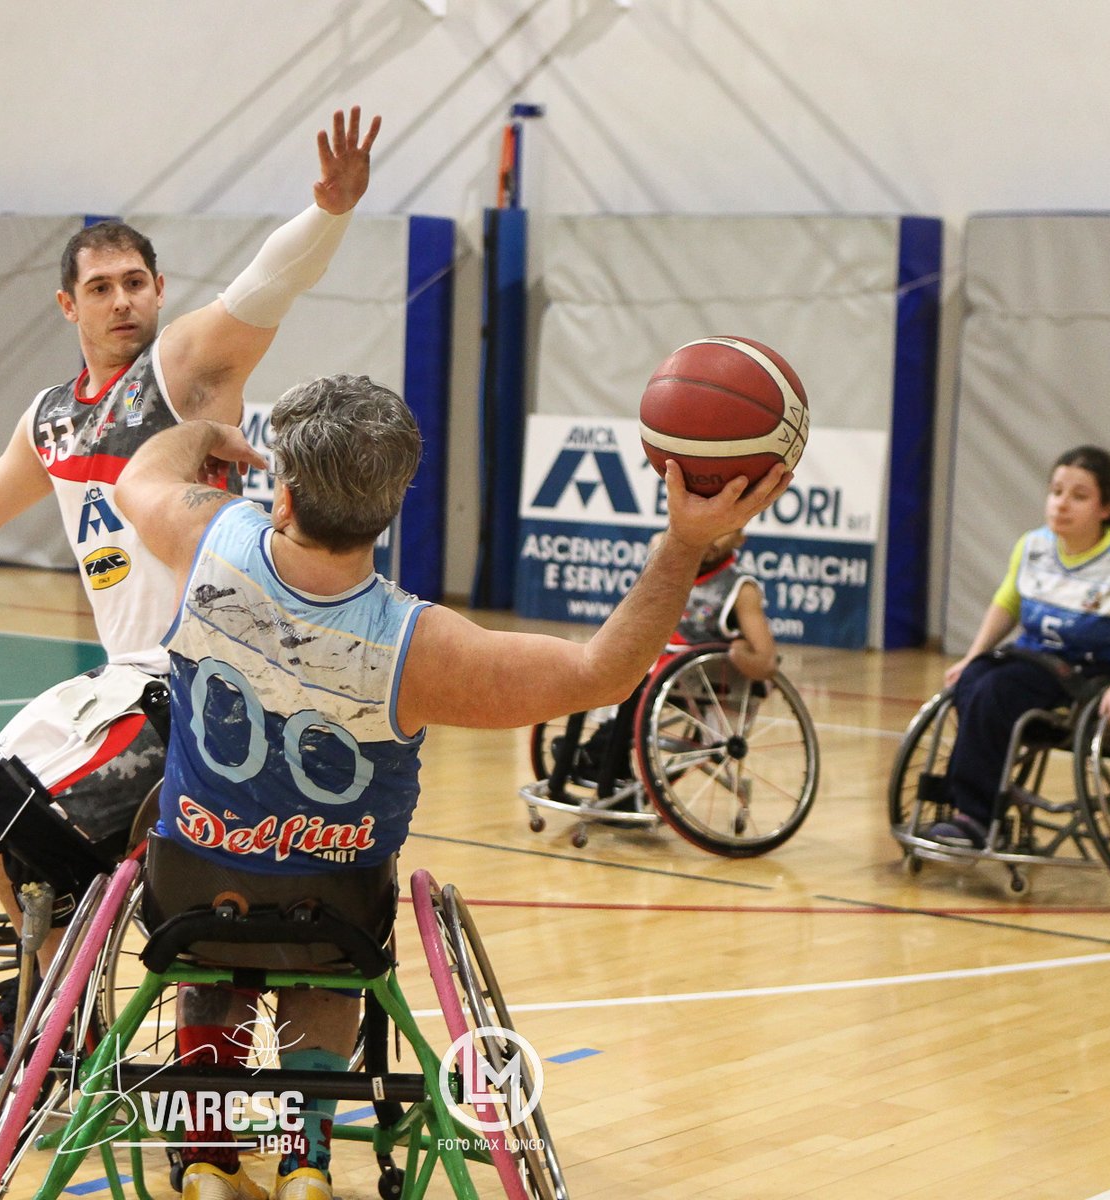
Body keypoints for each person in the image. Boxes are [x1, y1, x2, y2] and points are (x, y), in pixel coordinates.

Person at [0, 107, 384, 1081]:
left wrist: (327, 212)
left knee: (28, 817)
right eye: (101, 288)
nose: (122, 301)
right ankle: (52, 998)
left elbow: (267, 284)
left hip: (210, 676)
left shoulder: (181, 373)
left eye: (135, 283)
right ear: (67, 306)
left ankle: (59, 1009)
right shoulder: (51, 419)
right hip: (125, 676)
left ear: (159, 292)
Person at [115, 374, 789, 1200]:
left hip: (193, 885)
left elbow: (138, 475)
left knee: (211, 945)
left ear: (283, 498)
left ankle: (209, 1154)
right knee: (321, 947)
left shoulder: (211, 538)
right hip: (335, 910)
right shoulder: (423, 645)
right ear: (390, 507)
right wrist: (684, 542)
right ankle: (304, 1156)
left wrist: (207, 434)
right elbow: (604, 672)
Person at [928, 445, 1110, 848]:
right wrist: (972, 655)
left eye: (1079, 496)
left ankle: (976, 819)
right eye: (1056, 492)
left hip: (1093, 678)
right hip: (1037, 665)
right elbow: (1008, 603)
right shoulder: (1032, 546)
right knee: (974, 678)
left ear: (1106, 508)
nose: (1061, 504)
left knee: (995, 690)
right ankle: (970, 800)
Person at [560, 524, 778, 808]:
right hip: (659, 670)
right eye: (711, 525)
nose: (713, 535)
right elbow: (658, 541)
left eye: (725, 530)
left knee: (635, 683)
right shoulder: (672, 570)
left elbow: (767, 661)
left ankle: (600, 760)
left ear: (740, 539)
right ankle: (589, 758)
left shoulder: (741, 589)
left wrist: (740, 653)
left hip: (698, 682)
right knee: (599, 667)